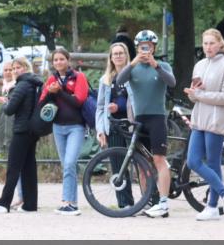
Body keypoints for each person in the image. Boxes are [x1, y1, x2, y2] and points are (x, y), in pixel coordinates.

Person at [115, 30, 176, 218]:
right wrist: (133, 62)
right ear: (137, 48)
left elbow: (172, 82)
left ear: (154, 47)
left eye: (148, 46)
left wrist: (156, 65)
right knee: (142, 164)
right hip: (140, 120)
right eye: (142, 46)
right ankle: (148, 202)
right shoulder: (132, 68)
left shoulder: (163, 65)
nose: (145, 49)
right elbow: (119, 80)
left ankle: (164, 203)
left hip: (157, 118)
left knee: (159, 159)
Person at [184, 29, 224, 221]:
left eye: (211, 43)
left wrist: (199, 95)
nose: (208, 47)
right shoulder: (199, 65)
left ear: (219, 44)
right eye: (205, 43)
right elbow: (197, 95)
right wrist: (193, 94)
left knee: (214, 163)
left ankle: (213, 206)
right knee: (193, 161)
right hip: (199, 119)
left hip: (216, 120)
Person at [0, 57, 44, 213]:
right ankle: (30, 204)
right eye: (14, 68)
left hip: (21, 130)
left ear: (26, 68)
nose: (16, 71)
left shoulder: (22, 84)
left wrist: (5, 103)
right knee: (28, 168)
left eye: (18, 67)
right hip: (32, 131)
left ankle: (3, 203)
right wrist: (10, 102)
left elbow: (10, 109)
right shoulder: (34, 83)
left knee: (13, 167)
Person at [40, 48, 90, 215]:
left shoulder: (79, 77)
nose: (59, 62)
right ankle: (72, 203)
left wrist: (60, 91)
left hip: (76, 126)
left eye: (62, 59)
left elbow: (79, 101)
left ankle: (66, 202)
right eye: (56, 60)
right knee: (67, 166)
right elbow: (42, 103)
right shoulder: (51, 79)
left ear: (68, 60)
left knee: (69, 163)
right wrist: (51, 93)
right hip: (58, 127)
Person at [95, 42, 136, 208]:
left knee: (142, 166)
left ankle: (151, 201)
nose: (118, 56)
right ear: (111, 58)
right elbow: (100, 106)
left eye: (121, 53)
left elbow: (135, 101)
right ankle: (125, 203)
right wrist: (100, 129)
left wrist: (119, 106)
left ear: (126, 55)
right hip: (113, 126)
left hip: (133, 125)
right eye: (115, 54)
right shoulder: (105, 80)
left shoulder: (133, 76)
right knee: (118, 166)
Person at [0, 64, 23, 209]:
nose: (8, 72)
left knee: (17, 166)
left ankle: (22, 197)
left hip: (15, 131)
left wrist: (7, 102)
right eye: (5, 70)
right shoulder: (6, 87)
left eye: (11, 69)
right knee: (14, 165)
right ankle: (20, 196)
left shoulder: (16, 87)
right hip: (6, 130)